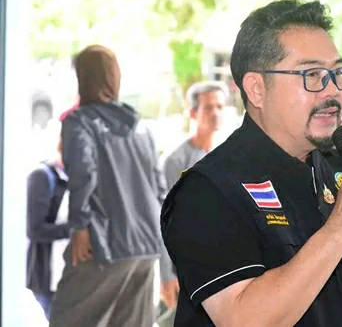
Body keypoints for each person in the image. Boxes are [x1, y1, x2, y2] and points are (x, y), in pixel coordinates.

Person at [161, 0, 342, 327]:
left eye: (336, 73)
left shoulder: (340, 171)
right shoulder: (208, 190)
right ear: (256, 89)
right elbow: (243, 321)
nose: (333, 91)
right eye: (312, 74)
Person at [49, 45, 173, 327]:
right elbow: (160, 192)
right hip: (146, 248)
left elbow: (83, 170)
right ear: (114, 77)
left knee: (67, 320)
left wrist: (80, 224)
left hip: (102, 246)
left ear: (82, 78)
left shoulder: (79, 122)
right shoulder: (142, 129)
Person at [158, 80, 230, 326]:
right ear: (192, 113)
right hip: (184, 267)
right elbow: (164, 219)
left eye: (219, 107)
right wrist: (166, 274)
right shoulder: (175, 161)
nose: (215, 113)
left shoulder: (227, 156)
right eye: (208, 108)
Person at [26, 132, 70, 320]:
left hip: (73, 275)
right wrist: (76, 228)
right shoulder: (42, 176)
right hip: (48, 276)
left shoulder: (79, 178)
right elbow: (35, 229)